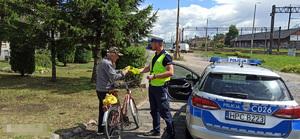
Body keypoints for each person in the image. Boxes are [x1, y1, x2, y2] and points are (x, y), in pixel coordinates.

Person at [139, 35, 175, 139]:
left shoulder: (166, 56)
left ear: (157, 43)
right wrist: (138, 70)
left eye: (152, 43)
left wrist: (154, 76)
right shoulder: (155, 55)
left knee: (164, 111)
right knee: (154, 110)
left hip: (161, 88)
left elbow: (171, 72)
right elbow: (149, 68)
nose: (151, 44)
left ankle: (171, 134)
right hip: (153, 88)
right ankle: (156, 130)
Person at [96, 47, 128, 136]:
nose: (118, 58)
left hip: (100, 89)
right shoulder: (107, 63)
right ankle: (110, 129)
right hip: (107, 90)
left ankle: (101, 130)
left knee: (102, 109)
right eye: (117, 56)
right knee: (114, 107)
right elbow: (114, 76)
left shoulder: (105, 62)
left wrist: (121, 71)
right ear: (112, 55)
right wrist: (124, 73)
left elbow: (112, 72)